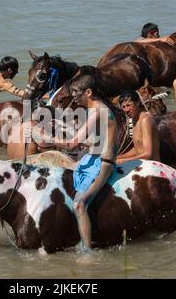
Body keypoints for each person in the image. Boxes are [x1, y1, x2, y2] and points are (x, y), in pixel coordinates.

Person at [29, 66, 119, 253]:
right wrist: (62, 126)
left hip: (103, 164)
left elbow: (71, 145)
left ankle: (87, 251)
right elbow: (91, 142)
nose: (74, 97)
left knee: (79, 204)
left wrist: (44, 136)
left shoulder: (97, 112)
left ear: (88, 92)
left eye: (76, 93)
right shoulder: (96, 109)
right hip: (90, 159)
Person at [116, 90, 160, 164]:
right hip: (143, 163)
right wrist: (118, 157)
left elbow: (148, 154)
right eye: (123, 107)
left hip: (153, 165)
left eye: (128, 105)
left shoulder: (145, 119)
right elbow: (138, 148)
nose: (126, 110)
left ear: (138, 103)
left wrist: (123, 161)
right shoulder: (134, 120)